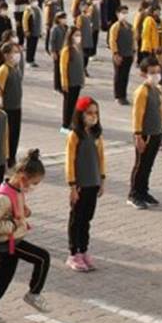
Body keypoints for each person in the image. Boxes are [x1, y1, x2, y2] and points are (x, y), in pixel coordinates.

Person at [0, 149, 52, 323]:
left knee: (3, 277)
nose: (33, 187)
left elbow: (16, 210)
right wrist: (12, 225)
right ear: (22, 176)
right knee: (43, 258)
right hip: (9, 240)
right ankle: (33, 294)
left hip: (13, 240)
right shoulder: (3, 197)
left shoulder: (16, 189)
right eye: (34, 183)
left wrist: (25, 212)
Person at [64, 97, 105, 273]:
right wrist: (72, 186)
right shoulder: (75, 135)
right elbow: (70, 161)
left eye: (95, 113)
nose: (93, 116)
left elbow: (101, 158)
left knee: (87, 219)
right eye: (89, 113)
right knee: (77, 219)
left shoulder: (97, 135)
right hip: (80, 184)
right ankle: (74, 253)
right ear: (80, 115)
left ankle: (84, 249)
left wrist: (102, 180)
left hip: (93, 183)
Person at [127, 57, 162, 209]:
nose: (156, 75)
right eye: (152, 72)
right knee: (140, 164)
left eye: (157, 71)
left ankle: (143, 191)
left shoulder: (158, 89)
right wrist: (138, 135)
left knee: (148, 165)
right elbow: (137, 115)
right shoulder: (142, 92)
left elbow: (160, 110)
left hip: (156, 132)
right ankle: (134, 194)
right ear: (143, 74)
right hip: (145, 134)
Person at [0, 42, 24, 168]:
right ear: (6, 55)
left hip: (16, 107)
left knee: (15, 134)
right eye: (14, 52)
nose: (17, 55)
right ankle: (5, 159)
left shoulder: (16, 68)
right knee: (6, 136)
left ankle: (12, 158)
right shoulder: (4, 70)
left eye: (18, 52)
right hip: (7, 108)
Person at [58, 26, 86, 134]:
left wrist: (82, 80)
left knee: (74, 104)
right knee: (68, 105)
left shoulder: (78, 49)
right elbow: (63, 68)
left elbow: (81, 66)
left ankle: (71, 123)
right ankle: (65, 125)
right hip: (70, 82)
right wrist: (64, 82)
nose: (78, 37)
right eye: (76, 35)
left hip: (77, 81)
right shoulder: (67, 50)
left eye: (79, 35)